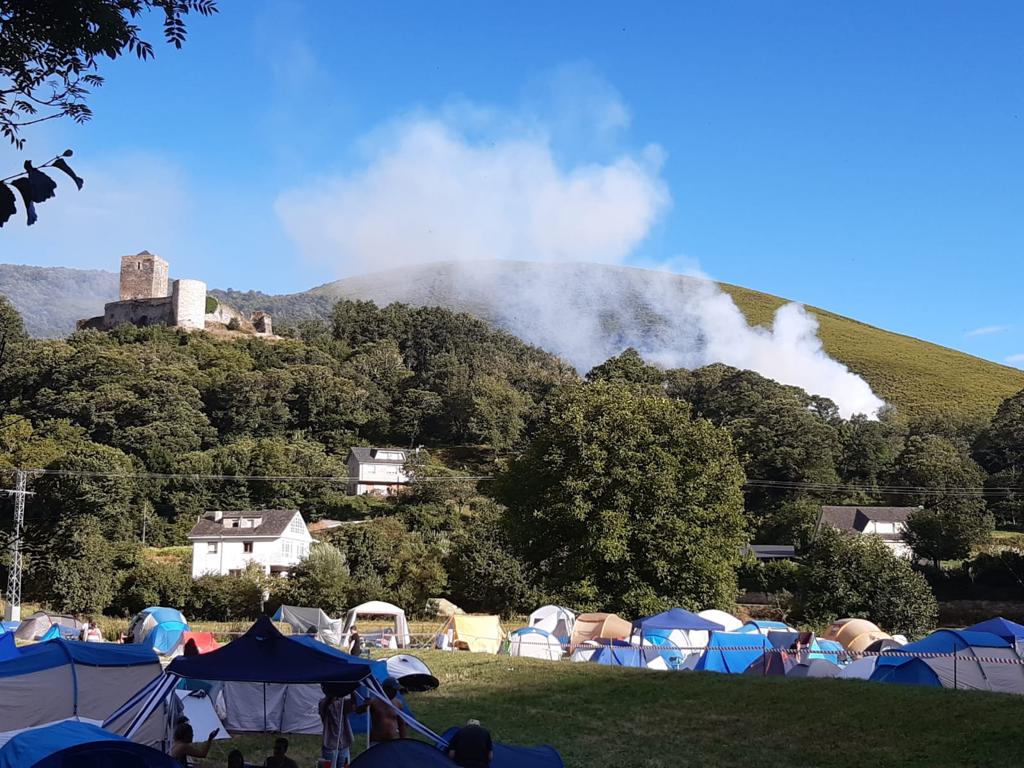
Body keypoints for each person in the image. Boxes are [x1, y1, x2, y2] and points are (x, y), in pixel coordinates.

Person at [359, 677, 407, 746]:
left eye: (397, 690)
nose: (396, 693)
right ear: (386, 689)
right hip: (377, 742)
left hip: (393, 742)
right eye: (394, 690)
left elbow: (401, 724)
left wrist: (403, 741)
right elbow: (359, 711)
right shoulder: (374, 701)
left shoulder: (398, 703)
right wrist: (365, 705)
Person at [318, 686, 354, 768]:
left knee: (344, 766)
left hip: (343, 743)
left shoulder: (342, 703)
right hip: (330, 744)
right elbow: (326, 707)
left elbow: (353, 704)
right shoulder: (323, 702)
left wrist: (352, 689)